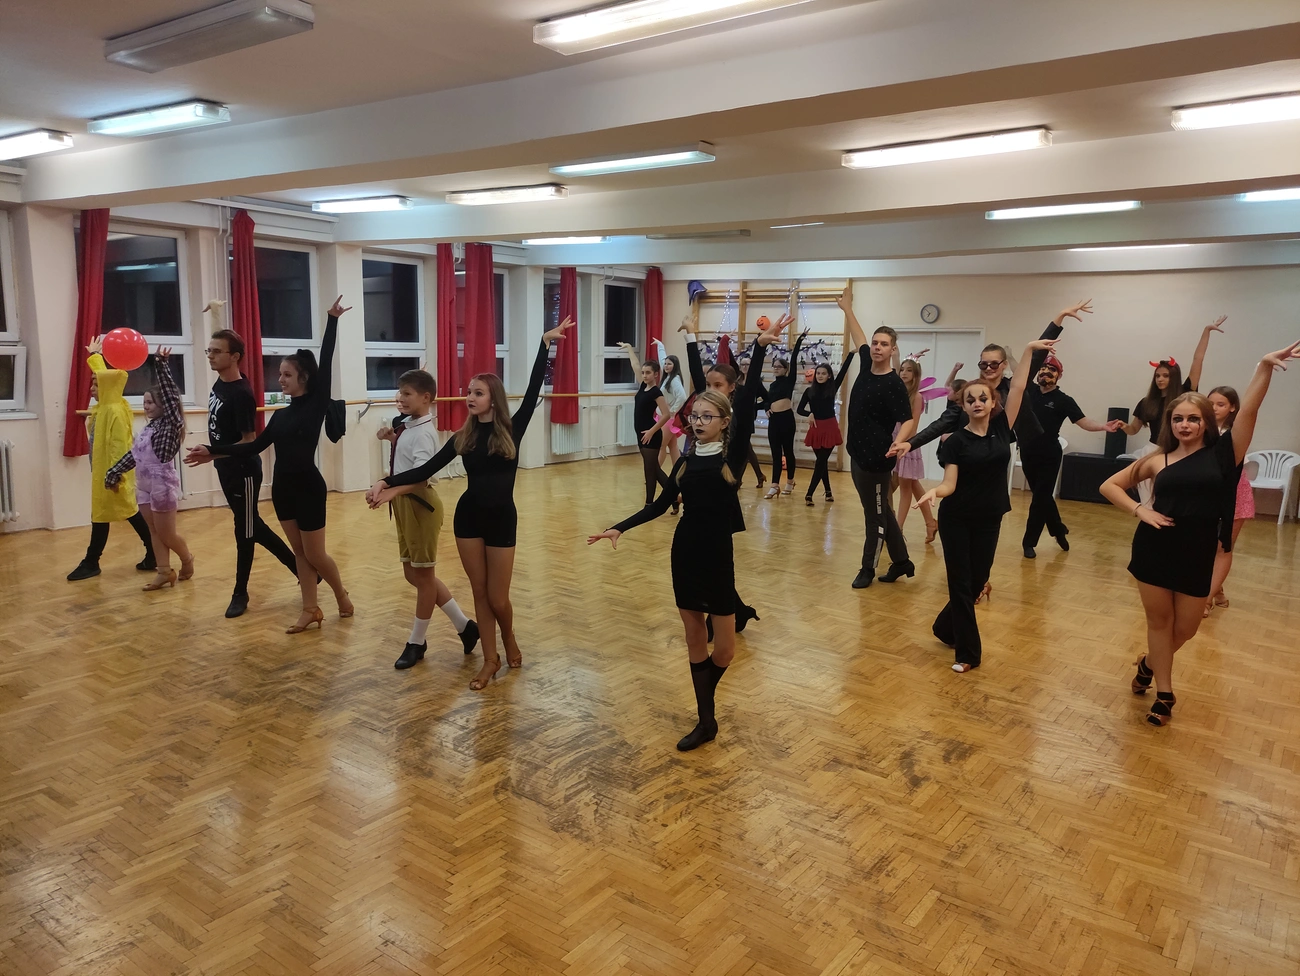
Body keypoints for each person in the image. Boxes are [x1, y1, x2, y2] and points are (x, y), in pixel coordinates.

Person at [588, 316, 787, 751]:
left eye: (706, 416)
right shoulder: (685, 460)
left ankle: (705, 692)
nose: (697, 421)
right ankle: (705, 719)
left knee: (725, 651)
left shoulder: (731, 457)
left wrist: (759, 349)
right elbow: (660, 506)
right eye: (694, 415)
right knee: (694, 636)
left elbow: (746, 396)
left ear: (724, 421)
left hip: (717, 558)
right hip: (685, 554)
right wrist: (618, 527)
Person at [368, 318, 574, 691]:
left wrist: (545, 344)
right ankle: (490, 659)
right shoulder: (463, 436)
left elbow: (532, 391)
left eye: (477, 393)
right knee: (480, 593)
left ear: (493, 398)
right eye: (468, 392)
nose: (469, 397)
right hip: (468, 520)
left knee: (498, 598)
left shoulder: (512, 429)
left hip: (502, 520)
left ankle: (508, 637)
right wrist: (386, 482)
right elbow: (426, 469)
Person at [1100, 340, 1299, 726]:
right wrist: (1140, 510)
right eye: (1178, 419)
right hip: (1154, 548)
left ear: (1206, 421)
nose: (1185, 425)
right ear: (1170, 424)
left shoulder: (1225, 454)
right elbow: (1110, 485)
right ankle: (1165, 694)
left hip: (1198, 550)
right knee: (1159, 624)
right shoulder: (1157, 459)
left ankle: (1148, 664)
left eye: (1193, 418)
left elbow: (1250, 410)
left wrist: (1264, 366)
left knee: (1187, 628)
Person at [186, 297, 354, 634]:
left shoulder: (316, 404)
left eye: (287, 375)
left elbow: (327, 359)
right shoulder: (280, 416)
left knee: (316, 555)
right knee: (299, 553)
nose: (280, 379)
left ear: (304, 378)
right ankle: (310, 609)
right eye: (279, 374)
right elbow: (254, 446)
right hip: (283, 490)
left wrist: (332, 320)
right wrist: (211, 451)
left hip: (308, 489)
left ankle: (341, 595)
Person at [913, 338, 1058, 672]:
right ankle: (968, 654)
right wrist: (935, 493)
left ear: (993, 402)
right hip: (957, 518)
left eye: (983, 398)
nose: (977, 403)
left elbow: (1018, 386)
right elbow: (949, 483)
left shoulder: (1002, 428)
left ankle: (944, 627)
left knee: (977, 582)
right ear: (963, 406)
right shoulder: (955, 442)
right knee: (961, 583)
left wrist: (1027, 350)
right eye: (970, 400)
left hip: (990, 517)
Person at [372, 369, 480, 669]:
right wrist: (391, 439)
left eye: (407, 393)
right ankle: (465, 627)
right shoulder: (407, 425)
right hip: (405, 506)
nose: (401, 398)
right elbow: (406, 462)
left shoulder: (425, 433)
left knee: (423, 579)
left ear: (426, 397)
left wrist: (390, 490)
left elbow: (421, 477)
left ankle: (416, 642)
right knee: (416, 576)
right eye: (400, 392)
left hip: (421, 508)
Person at [204, 322, 299, 618]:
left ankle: (240, 593)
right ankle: (302, 569)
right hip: (224, 466)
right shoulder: (221, 383)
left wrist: (212, 452)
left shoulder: (242, 394)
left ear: (235, 357)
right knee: (251, 526)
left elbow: (249, 441)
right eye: (209, 351)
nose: (211, 356)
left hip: (243, 471)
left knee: (244, 531)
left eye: (216, 352)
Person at [679, 316, 766, 634]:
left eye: (718, 386)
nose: (711, 390)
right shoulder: (709, 411)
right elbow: (696, 375)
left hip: (721, 502)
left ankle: (723, 615)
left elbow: (752, 384)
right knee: (709, 563)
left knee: (714, 565)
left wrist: (759, 348)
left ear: (732, 388)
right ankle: (738, 611)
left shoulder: (737, 412)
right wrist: (690, 336)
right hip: (705, 497)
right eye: (709, 385)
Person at [1017, 304, 1126, 557]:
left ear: (1059, 375)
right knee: (1043, 496)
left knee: (1039, 497)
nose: (1046, 372)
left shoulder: (1064, 400)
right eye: (1043, 368)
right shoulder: (1027, 391)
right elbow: (1025, 367)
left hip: (1049, 454)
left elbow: (1082, 421)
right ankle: (1058, 528)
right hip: (1028, 452)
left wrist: (1103, 426)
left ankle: (1029, 543)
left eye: (1052, 369)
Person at [836, 282, 916, 588]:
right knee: (879, 511)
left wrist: (900, 440)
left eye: (884, 344)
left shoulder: (894, 385)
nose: (877, 347)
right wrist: (847, 309)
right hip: (857, 455)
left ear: (893, 349)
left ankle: (867, 569)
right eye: (875, 343)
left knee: (875, 517)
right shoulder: (866, 364)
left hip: (879, 460)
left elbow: (907, 419)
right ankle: (902, 561)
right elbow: (858, 335)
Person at [66, 336, 157, 582]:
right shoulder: (106, 408)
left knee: (116, 512)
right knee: (114, 512)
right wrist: (95, 357)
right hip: (105, 473)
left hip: (112, 474)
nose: (92, 389)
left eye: (96, 385)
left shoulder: (114, 410)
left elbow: (120, 447)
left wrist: (115, 475)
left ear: (106, 386)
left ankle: (92, 561)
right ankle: (151, 552)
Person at [104, 348, 194, 590]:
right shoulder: (148, 428)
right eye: (144, 402)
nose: (146, 406)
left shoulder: (171, 424)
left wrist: (161, 366)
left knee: (167, 534)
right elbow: (134, 456)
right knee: (154, 531)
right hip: (143, 485)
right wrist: (114, 471)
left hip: (162, 485)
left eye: (150, 402)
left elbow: (172, 396)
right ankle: (164, 572)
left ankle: (187, 560)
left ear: (163, 405)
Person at [1119, 316, 1223, 504]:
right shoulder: (1146, 402)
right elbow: (1133, 429)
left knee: (1175, 498)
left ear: (1173, 377)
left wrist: (1206, 331)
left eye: (1165, 375)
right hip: (1152, 451)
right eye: (1157, 376)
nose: (1160, 379)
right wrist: (1123, 426)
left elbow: (1197, 360)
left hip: (1178, 451)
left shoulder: (1185, 394)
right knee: (1148, 501)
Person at [1202, 386, 1253, 618]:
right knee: (1207, 545)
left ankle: (1207, 599)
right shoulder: (1202, 429)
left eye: (1220, 404)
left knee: (1223, 546)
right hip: (1208, 493)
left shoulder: (1235, 433)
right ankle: (1218, 590)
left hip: (1235, 492)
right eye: (1210, 403)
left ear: (1232, 407)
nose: (1214, 408)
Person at [617, 342, 674, 505]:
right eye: (643, 373)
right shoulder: (643, 387)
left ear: (656, 374)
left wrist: (651, 431)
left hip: (651, 435)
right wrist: (629, 348)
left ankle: (649, 504)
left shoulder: (656, 392)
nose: (644, 375)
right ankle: (674, 498)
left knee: (650, 471)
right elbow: (635, 364)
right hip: (641, 434)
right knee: (654, 469)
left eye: (648, 373)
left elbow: (666, 415)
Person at [797, 351, 855, 506]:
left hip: (830, 428)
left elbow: (843, 371)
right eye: (818, 373)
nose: (820, 376)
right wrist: (809, 414)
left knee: (820, 462)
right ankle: (828, 491)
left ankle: (809, 494)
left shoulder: (833, 387)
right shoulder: (809, 391)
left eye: (823, 373)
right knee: (821, 462)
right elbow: (800, 409)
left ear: (829, 376)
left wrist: (851, 354)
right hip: (816, 428)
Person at [891, 354, 938, 543]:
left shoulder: (917, 397)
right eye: (902, 370)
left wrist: (901, 445)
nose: (904, 373)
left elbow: (913, 426)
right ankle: (930, 523)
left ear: (915, 375)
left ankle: (898, 529)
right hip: (894, 441)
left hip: (907, 444)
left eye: (909, 370)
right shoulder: (897, 392)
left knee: (905, 487)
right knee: (912, 484)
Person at [759, 330, 807, 499]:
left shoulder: (789, 380)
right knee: (775, 454)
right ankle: (774, 485)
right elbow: (767, 400)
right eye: (775, 367)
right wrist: (766, 407)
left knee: (788, 451)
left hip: (786, 419)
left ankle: (790, 481)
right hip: (774, 421)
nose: (776, 369)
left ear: (785, 370)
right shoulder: (772, 386)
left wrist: (799, 340)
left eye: (779, 367)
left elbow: (794, 360)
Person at [655, 345, 688, 472]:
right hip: (664, 416)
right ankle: (679, 472)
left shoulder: (674, 380)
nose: (666, 366)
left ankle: (654, 473)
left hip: (668, 418)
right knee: (673, 446)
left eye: (669, 364)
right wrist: (660, 346)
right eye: (666, 364)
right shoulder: (668, 377)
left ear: (675, 366)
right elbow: (662, 359)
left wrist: (672, 410)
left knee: (661, 445)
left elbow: (682, 396)